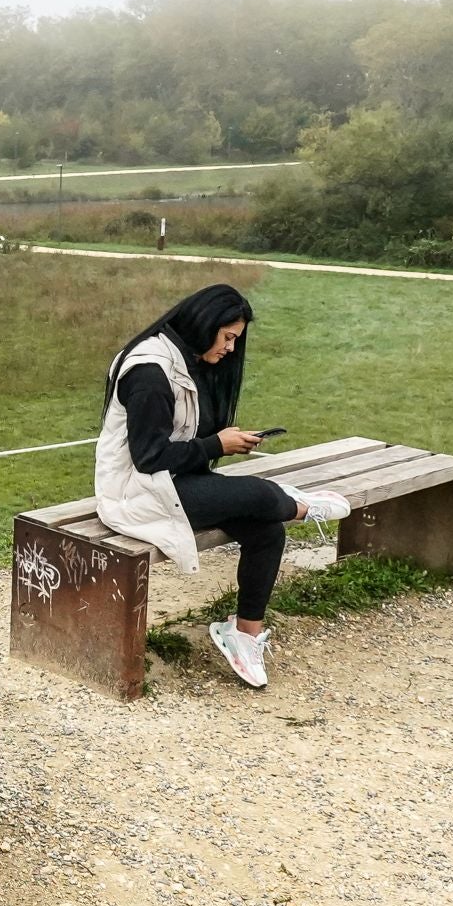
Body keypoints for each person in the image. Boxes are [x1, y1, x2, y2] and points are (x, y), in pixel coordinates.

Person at [93, 283, 350, 688]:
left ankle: (244, 634)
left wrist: (225, 441)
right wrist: (217, 445)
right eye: (228, 337)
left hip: (173, 483)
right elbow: (149, 458)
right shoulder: (149, 371)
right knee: (260, 495)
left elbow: (183, 440)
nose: (231, 349)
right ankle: (297, 506)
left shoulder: (183, 359)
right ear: (205, 323)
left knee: (267, 530)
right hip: (136, 493)